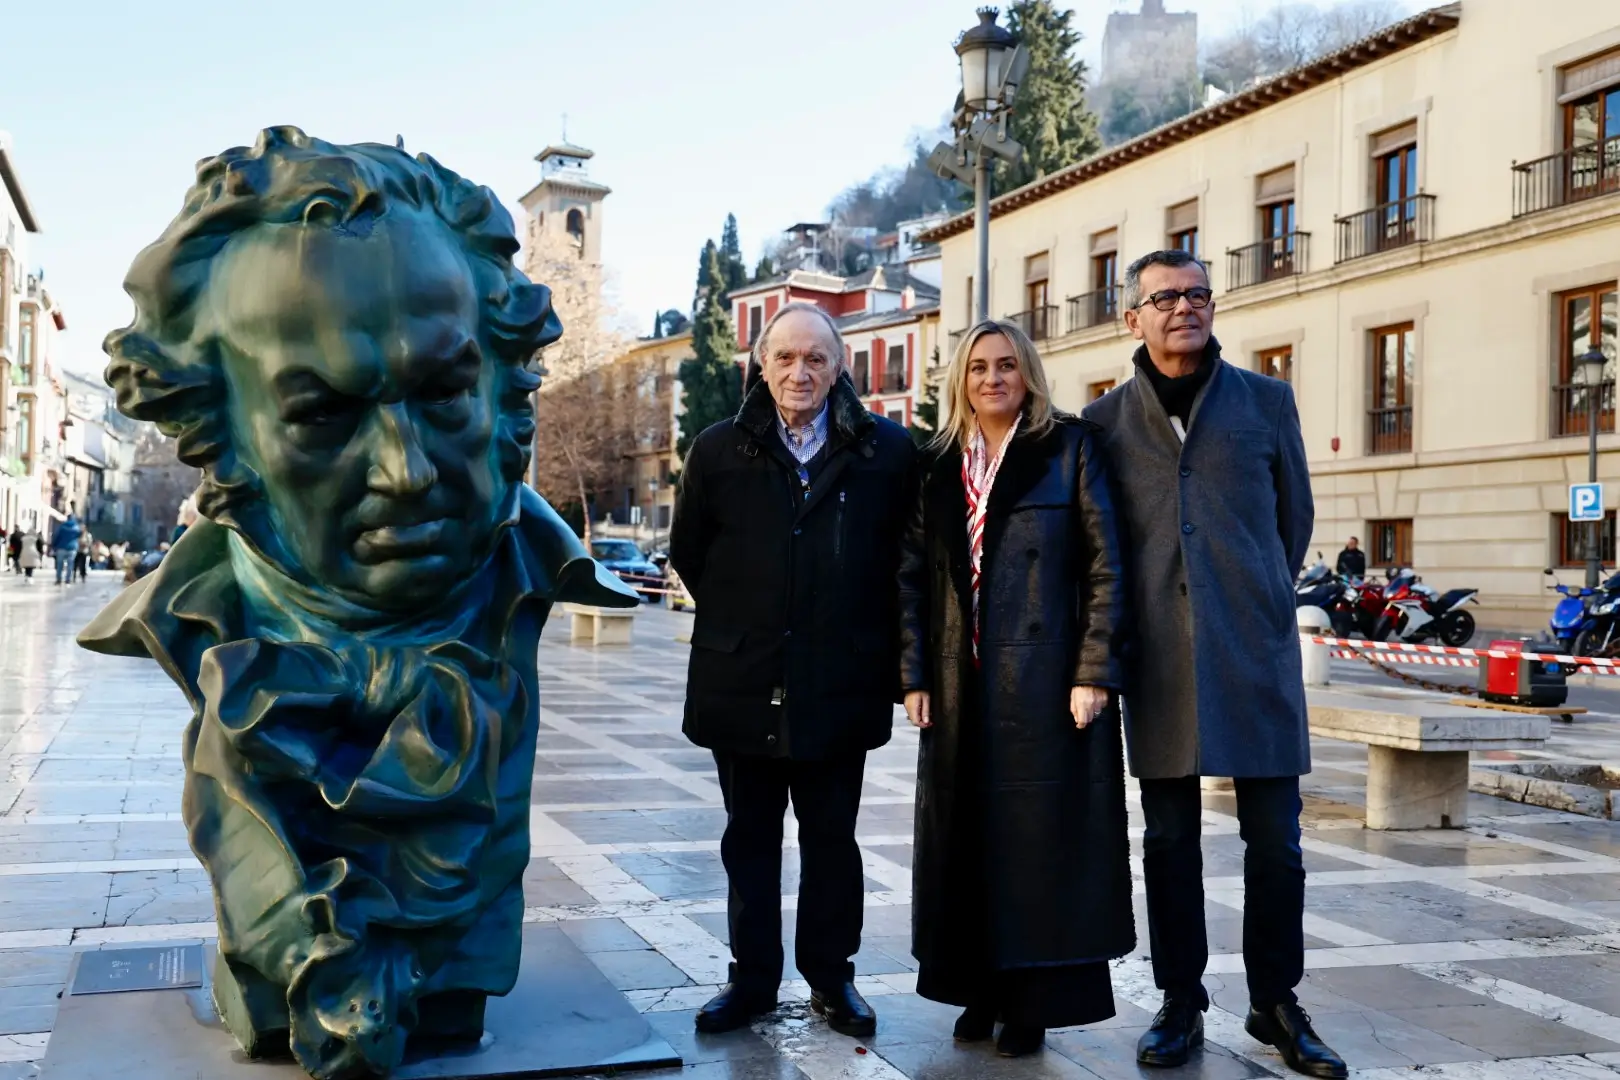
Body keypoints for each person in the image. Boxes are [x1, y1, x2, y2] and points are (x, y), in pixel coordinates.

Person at [1082, 249, 1347, 1080]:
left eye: (1197, 294)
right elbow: (1099, 543)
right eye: (1164, 297)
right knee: (1169, 841)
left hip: (1255, 653)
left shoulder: (1266, 402)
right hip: (1157, 659)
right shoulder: (1103, 423)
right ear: (1133, 317)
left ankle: (1276, 1002)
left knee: (1278, 843)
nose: (1184, 308)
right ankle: (1180, 1001)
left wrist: (1253, 595)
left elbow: (1293, 521)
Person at [670, 302, 918, 1038]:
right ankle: (751, 981)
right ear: (762, 365)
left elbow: (904, 562)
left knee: (832, 841)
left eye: (815, 358)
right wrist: (752, 617)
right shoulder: (718, 449)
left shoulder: (886, 451)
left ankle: (832, 980)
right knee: (748, 840)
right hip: (742, 681)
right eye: (785, 357)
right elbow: (690, 554)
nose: (799, 372)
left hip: (841, 682)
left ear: (839, 367)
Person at [897, 319, 1134, 1058]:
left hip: (1045, 684)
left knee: (1038, 845)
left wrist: (1093, 670)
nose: (992, 378)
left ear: (1027, 372)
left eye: (1006, 365)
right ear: (961, 381)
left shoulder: (1070, 448)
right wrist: (913, 675)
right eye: (978, 368)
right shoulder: (936, 463)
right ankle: (977, 987)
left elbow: (1106, 566)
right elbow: (909, 576)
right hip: (958, 684)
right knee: (966, 843)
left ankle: (1031, 1002)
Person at [51, 512, 83, 586]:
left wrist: (54, 545)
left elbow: (57, 536)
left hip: (61, 547)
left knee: (59, 564)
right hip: (72, 548)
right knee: (70, 564)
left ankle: (59, 580)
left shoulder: (62, 527)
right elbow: (79, 535)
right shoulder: (76, 527)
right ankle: (67, 580)